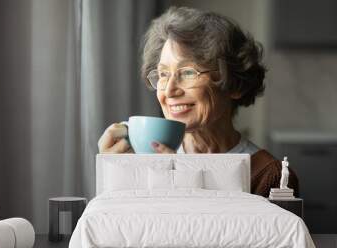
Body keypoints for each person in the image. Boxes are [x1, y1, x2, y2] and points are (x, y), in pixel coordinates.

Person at [97, 7, 298, 197]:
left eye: (188, 72)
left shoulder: (269, 175)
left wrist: (183, 187)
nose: (169, 90)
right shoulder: (146, 161)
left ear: (235, 85)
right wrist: (119, 177)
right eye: (163, 74)